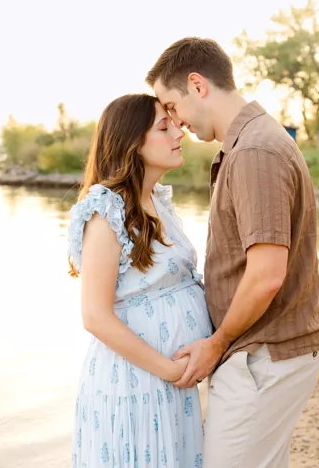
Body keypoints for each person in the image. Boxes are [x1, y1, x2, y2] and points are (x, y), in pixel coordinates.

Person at [146, 37, 319, 467]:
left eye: (171, 105)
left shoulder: (254, 151)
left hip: (264, 355)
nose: (175, 122)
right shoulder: (248, 143)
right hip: (265, 353)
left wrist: (217, 343)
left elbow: (266, 274)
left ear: (197, 85)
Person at [67, 93, 212, 468]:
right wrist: (169, 370)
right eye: (164, 127)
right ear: (133, 143)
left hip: (170, 383)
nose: (178, 132)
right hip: (138, 384)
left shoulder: (158, 201)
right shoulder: (107, 209)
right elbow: (95, 316)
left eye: (173, 123)